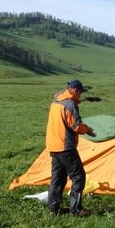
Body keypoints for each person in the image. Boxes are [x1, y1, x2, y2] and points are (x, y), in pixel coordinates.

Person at [45, 79, 96, 216]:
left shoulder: (56, 101)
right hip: (65, 146)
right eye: (79, 91)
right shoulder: (70, 104)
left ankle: (53, 209)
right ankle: (76, 209)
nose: (80, 95)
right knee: (78, 176)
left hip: (53, 145)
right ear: (74, 90)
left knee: (58, 177)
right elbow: (76, 126)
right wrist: (88, 130)